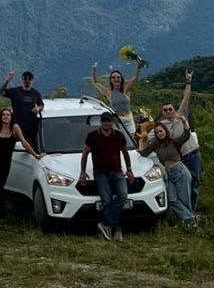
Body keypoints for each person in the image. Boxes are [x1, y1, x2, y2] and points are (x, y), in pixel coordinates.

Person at [79, 112, 133, 242]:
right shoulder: (92, 136)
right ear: (100, 122)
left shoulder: (119, 136)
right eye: (103, 120)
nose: (106, 123)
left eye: (108, 120)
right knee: (106, 201)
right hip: (101, 173)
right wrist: (83, 171)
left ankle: (106, 223)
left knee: (122, 196)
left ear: (112, 122)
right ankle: (117, 230)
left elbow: (125, 153)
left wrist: (129, 170)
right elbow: (85, 154)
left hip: (117, 171)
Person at [0, 108, 40, 226]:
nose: (5, 116)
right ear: (0, 117)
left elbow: (24, 142)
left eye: (8, 115)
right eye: (3, 114)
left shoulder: (15, 128)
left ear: (11, 117)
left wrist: (35, 155)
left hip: (4, 163)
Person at [138, 121, 196, 228]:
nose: (159, 133)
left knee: (184, 198)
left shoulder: (173, 141)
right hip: (169, 173)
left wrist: (184, 123)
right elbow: (143, 153)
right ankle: (189, 218)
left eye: (161, 131)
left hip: (180, 171)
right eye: (157, 132)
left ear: (165, 131)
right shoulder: (155, 144)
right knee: (172, 199)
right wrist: (141, 140)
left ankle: (188, 222)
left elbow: (186, 135)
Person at [160, 69, 202, 210]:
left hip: (194, 154)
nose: (168, 112)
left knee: (195, 183)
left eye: (170, 109)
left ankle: (192, 212)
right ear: (162, 112)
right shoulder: (162, 125)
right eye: (165, 110)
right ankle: (187, 214)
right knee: (185, 185)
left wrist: (188, 82)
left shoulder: (181, 114)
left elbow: (186, 98)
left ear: (174, 109)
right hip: (181, 158)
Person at [88, 61, 140, 134]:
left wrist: (138, 67)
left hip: (128, 120)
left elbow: (135, 78)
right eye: (113, 77)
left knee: (130, 142)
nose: (116, 79)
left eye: (118, 77)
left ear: (121, 79)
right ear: (111, 80)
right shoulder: (109, 93)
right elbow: (95, 82)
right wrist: (93, 70)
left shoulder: (126, 90)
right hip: (116, 121)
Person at [0, 70, 45, 150]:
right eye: (25, 79)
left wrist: (38, 108)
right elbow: (1, 92)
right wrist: (7, 80)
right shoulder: (15, 91)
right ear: (22, 80)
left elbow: (42, 105)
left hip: (32, 129)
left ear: (32, 80)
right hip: (17, 128)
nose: (27, 81)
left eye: (29, 79)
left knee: (33, 149)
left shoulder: (36, 93)